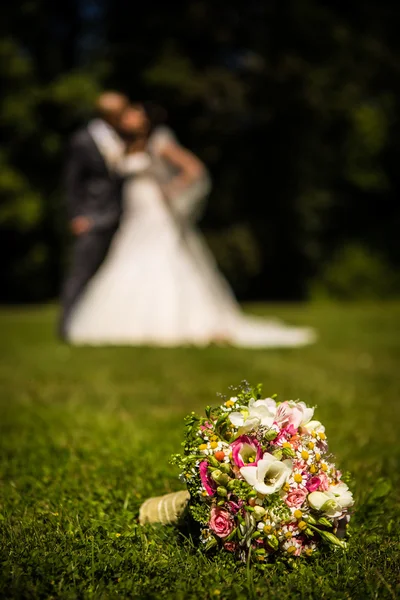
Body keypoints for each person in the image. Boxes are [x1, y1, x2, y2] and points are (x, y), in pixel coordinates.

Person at [66, 106, 316, 347]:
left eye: (134, 113)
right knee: (128, 257)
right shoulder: (124, 147)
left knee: (162, 258)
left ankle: (176, 321)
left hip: (156, 211)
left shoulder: (159, 143)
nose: (128, 117)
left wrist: (172, 190)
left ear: (146, 120)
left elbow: (194, 169)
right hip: (134, 213)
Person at [59, 91, 129, 338]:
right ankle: (66, 327)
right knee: (81, 272)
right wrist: (76, 215)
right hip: (92, 216)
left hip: (125, 217)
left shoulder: (127, 137)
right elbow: (72, 181)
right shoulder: (83, 140)